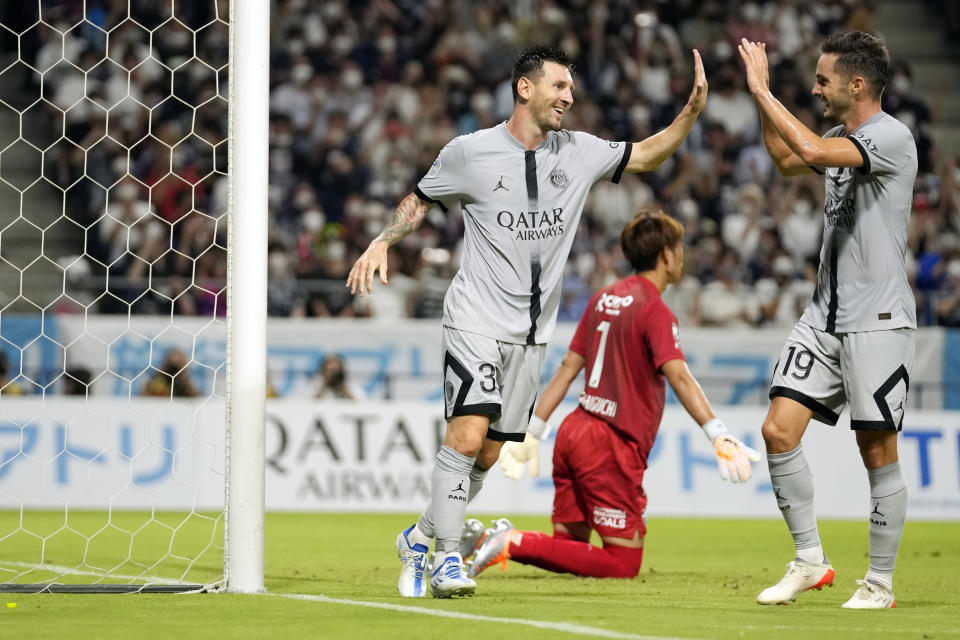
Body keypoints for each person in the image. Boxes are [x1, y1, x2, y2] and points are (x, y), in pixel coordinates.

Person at [346, 45, 708, 598]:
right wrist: (380, 241)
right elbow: (418, 200)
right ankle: (446, 558)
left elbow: (650, 155)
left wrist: (689, 112)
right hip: (475, 317)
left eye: (570, 88)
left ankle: (419, 537)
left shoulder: (581, 152)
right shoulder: (469, 152)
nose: (569, 96)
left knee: (489, 453)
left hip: (532, 333)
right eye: (559, 86)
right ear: (525, 88)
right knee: (465, 436)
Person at [464, 210, 760, 580]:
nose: (682, 257)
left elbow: (568, 368)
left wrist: (533, 431)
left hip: (574, 430)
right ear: (667, 255)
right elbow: (680, 376)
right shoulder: (654, 309)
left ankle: (478, 541)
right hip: (610, 443)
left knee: (571, 549)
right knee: (623, 563)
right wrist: (718, 432)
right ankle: (511, 541)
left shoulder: (604, 297)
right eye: (680, 249)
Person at [738, 31, 917, 609]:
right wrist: (761, 102)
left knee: (877, 452)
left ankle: (881, 583)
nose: (815, 88)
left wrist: (763, 91)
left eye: (823, 80)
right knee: (777, 431)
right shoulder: (840, 135)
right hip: (824, 316)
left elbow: (810, 153)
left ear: (856, 84)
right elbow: (789, 159)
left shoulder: (891, 137)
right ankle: (810, 560)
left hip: (878, 321)